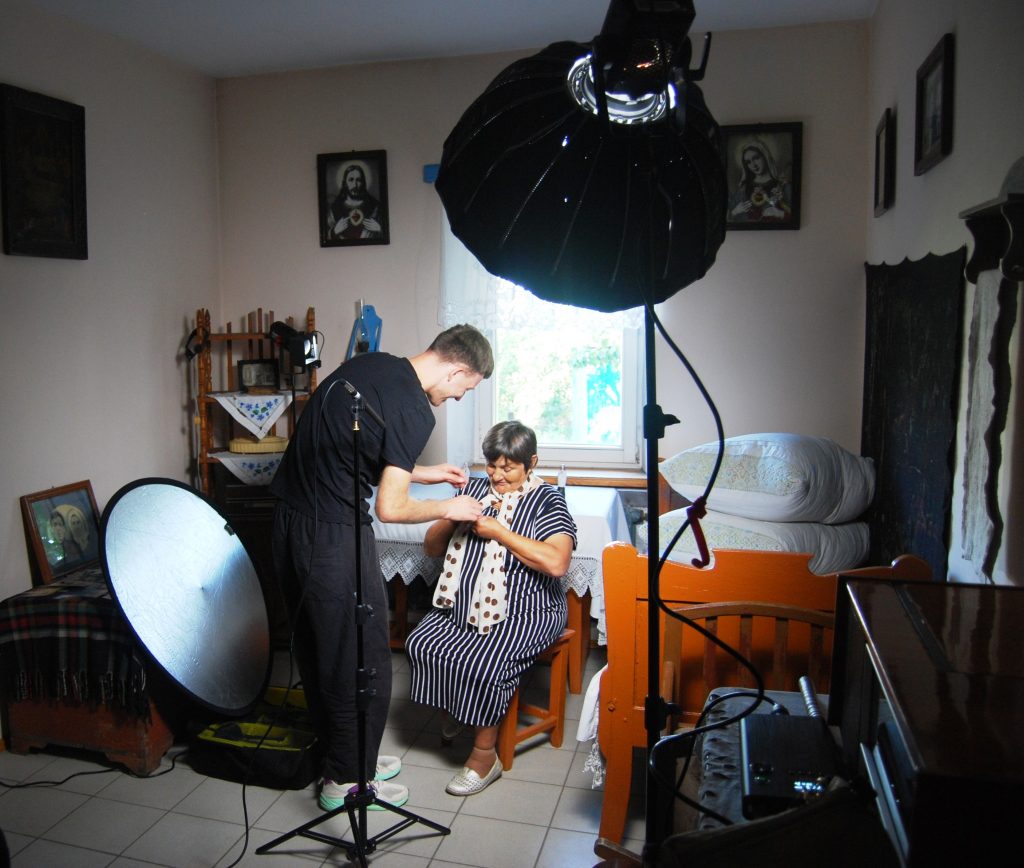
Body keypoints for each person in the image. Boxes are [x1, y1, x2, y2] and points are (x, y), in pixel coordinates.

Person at [270, 323, 494, 813]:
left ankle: (346, 755)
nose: (458, 397)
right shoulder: (416, 410)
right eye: (466, 387)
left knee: (322, 650)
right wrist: (449, 507)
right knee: (363, 658)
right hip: (332, 534)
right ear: (456, 369)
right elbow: (390, 508)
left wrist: (423, 472)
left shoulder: (375, 366)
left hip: (288, 522)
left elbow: (354, 447)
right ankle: (347, 779)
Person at [405, 421, 577, 796]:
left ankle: (485, 758)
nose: (497, 476)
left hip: (530, 608)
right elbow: (432, 549)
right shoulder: (475, 489)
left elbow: (557, 563)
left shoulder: (548, 500)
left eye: (508, 468)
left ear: (531, 463)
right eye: (492, 466)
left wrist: (500, 532)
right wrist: (452, 515)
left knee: (485, 661)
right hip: (465, 602)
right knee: (422, 643)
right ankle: (462, 709)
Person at [728, 141, 792, 223]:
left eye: (756, 158)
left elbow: (796, 215)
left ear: (765, 156)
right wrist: (735, 211)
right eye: (748, 162)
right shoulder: (743, 189)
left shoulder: (782, 186)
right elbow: (727, 219)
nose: (753, 165)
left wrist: (779, 213)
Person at [326, 162, 384, 241]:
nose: (355, 185)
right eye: (351, 180)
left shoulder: (375, 207)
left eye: (358, 180)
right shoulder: (335, 208)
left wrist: (379, 229)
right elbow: (326, 236)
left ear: (363, 183)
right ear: (345, 183)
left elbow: (385, 235)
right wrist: (334, 231)